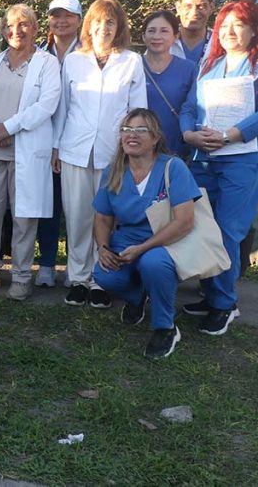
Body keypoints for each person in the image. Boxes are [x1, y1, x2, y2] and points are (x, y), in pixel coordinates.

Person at [180, 0, 258, 335]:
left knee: (227, 230)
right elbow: (188, 106)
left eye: (237, 25)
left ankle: (224, 304)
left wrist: (229, 135)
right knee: (203, 229)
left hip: (242, 159)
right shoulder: (209, 66)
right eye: (224, 25)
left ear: (254, 29)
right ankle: (212, 294)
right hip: (204, 158)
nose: (228, 32)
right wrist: (190, 135)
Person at [53, 0, 146, 309]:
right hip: (74, 149)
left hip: (113, 153)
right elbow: (63, 109)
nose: (103, 27)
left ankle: (99, 279)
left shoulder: (132, 61)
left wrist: (135, 151)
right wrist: (56, 146)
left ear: (118, 26)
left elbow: (138, 111)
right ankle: (78, 278)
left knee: (105, 218)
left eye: (110, 22)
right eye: (97, 21)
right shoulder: (74, 61)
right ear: (88, 25)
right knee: (77, 216)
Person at [0, 4, 61, 301]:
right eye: (9, 25)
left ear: (34, 28)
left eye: (23, 25)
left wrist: (9, 128)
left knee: (24, 217)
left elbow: (47, 105)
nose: (16, 31)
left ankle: (21, 276)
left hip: (26, 152)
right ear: (2, 30)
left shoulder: (47, 63)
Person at [93, 109, 200, 358]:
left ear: (155, 138)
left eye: (141, 130)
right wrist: (103, 248)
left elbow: (184, 222)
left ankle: (165, 327)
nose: (132, 135)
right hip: (127, 240)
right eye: (126, 130)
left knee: (153, 263)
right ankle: (140, 295)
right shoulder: (114, 171)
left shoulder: (173, 168)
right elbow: (102, 217)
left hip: (167, 240)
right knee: (103, 274)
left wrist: (143, 249)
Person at [35, 0, 83, 288]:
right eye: (56, 15)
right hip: (43, 141)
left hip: (79, 142)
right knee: (49, 207)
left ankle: (80, 269)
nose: (61, 21)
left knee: (81, 210)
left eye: (68, 16)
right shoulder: (40, 53)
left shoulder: (91, 55)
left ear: (79, 20)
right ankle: (47, 264)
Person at [141, 10, 197, 159]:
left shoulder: (189, 69)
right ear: (144, 37)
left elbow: (194, 108)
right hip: (137, 148)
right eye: (151, 31)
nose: (157, 36)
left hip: (176, 149)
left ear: (175, 36)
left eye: (164, 31)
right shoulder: (132, 66)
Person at [171, 0, 215, 66]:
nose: (194, 12)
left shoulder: (221, 43)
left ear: (211, 7)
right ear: (178, 8)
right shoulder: (164, 41)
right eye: (188, 6)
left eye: (201, 6)